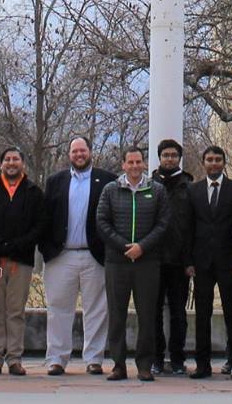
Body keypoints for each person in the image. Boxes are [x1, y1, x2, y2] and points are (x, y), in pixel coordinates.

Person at [41, 137, 117, 377]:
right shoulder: (55, 181)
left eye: (83, 150)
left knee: (97, 310)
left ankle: (94, 359)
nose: (79, 154)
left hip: (95, 255)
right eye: (75, 151)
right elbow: (45, 217)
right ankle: (56, 359)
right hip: (61, 256)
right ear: (69, 155)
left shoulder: (107, 180)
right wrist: (46, 249)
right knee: (57, 309)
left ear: (90, 153)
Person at [97, 145, 171, 381]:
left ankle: (144, 365)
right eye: (130, 162)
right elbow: (102, 222)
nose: (135, 166)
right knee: (116, 314)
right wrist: (124, 246)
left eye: (139, 162)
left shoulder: (157, 190)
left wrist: (142, 247)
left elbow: (163, 224)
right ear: (123, 164)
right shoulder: (110, 190)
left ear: (144, 163)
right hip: (117, 262)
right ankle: (118, 364)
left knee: (147, 315)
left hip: (147, 262)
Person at [0, 146, 46, 376]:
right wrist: (0, 245)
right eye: (7, 159)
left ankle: (15, 358)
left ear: (22, 164)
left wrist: (17, 245)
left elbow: (39, 226)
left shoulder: (34, 192)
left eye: (16, 159)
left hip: (21, 261)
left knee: (15, 311)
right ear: (1, 164)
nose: (11, 163)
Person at [186, 144, 232, 379]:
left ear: (224, 163)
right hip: (201, 262)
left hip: (230, 261)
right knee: (202, 315)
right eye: (210, 159)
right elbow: (188, 227)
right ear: (204, 163)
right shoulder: (193, 191)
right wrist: (188, 261)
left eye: (218, 159)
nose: (214, 163)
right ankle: (202, 365)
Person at [152, 139, 194, 374]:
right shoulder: (150, 183)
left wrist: (190, 261)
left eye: (173, 155)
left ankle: (178, 358)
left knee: (179, 312)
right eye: (166, 155)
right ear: (159, 157)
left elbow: (191, 227)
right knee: (153, 311)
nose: (169, 159)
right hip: (154, 259)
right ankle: (157, 358)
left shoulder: (189, 185)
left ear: (179, 158)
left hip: (179, 261)